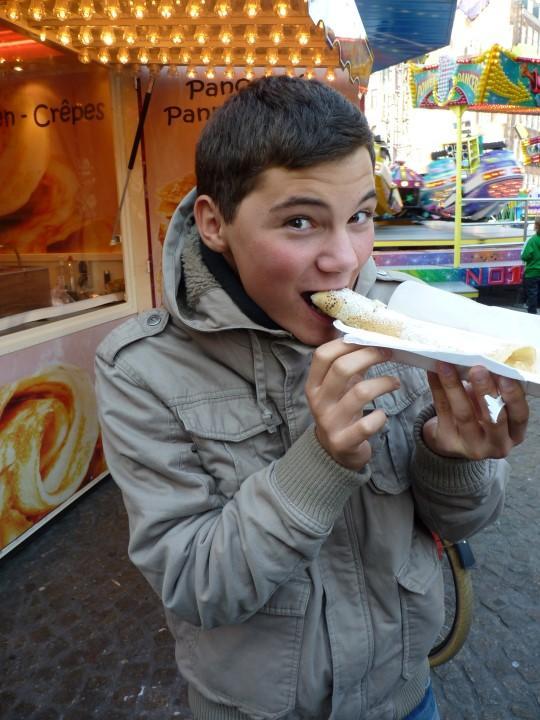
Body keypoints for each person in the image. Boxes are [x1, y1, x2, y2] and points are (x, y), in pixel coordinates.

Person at [95, 76, 529, 720]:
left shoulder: (405, 323)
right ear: (214, 224)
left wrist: (453, 457)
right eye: (300, 222)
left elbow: (459, 523)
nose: (343, 260)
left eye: (360, 216)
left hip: (404, 695)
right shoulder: (141, 369)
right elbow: (193, 585)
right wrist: (321, 464)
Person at [521, 215, 540, 313]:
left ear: (536, 226)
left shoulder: (532, 240)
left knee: (532, 294)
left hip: (532, 272)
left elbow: (525, 256)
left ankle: (532, 313)